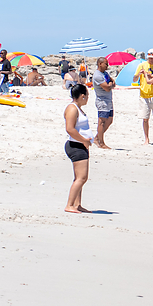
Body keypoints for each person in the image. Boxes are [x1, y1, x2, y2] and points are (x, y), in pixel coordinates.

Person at [64, 84, 95, 213]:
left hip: (81, 145)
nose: (88, 98)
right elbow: (69, 129)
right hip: (76, 146)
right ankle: (69, 205)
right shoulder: (72, 108)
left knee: (79, 177)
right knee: (82, 177)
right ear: (82, 96)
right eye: (87, 95)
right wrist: (84, 141)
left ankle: (77, 204)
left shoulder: (78, 108)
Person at [90, 57, 116, 149]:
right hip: (102, 100)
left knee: (110, 120)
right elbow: (106, 87)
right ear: (100, 64)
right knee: (101, 122)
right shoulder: (97, 75)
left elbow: (113, 82)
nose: (107, 66)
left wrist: (110, 84)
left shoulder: (105, 74)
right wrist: (110, 85)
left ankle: (97, 137)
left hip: (108, 100)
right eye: (106, 64)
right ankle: (101, 142)